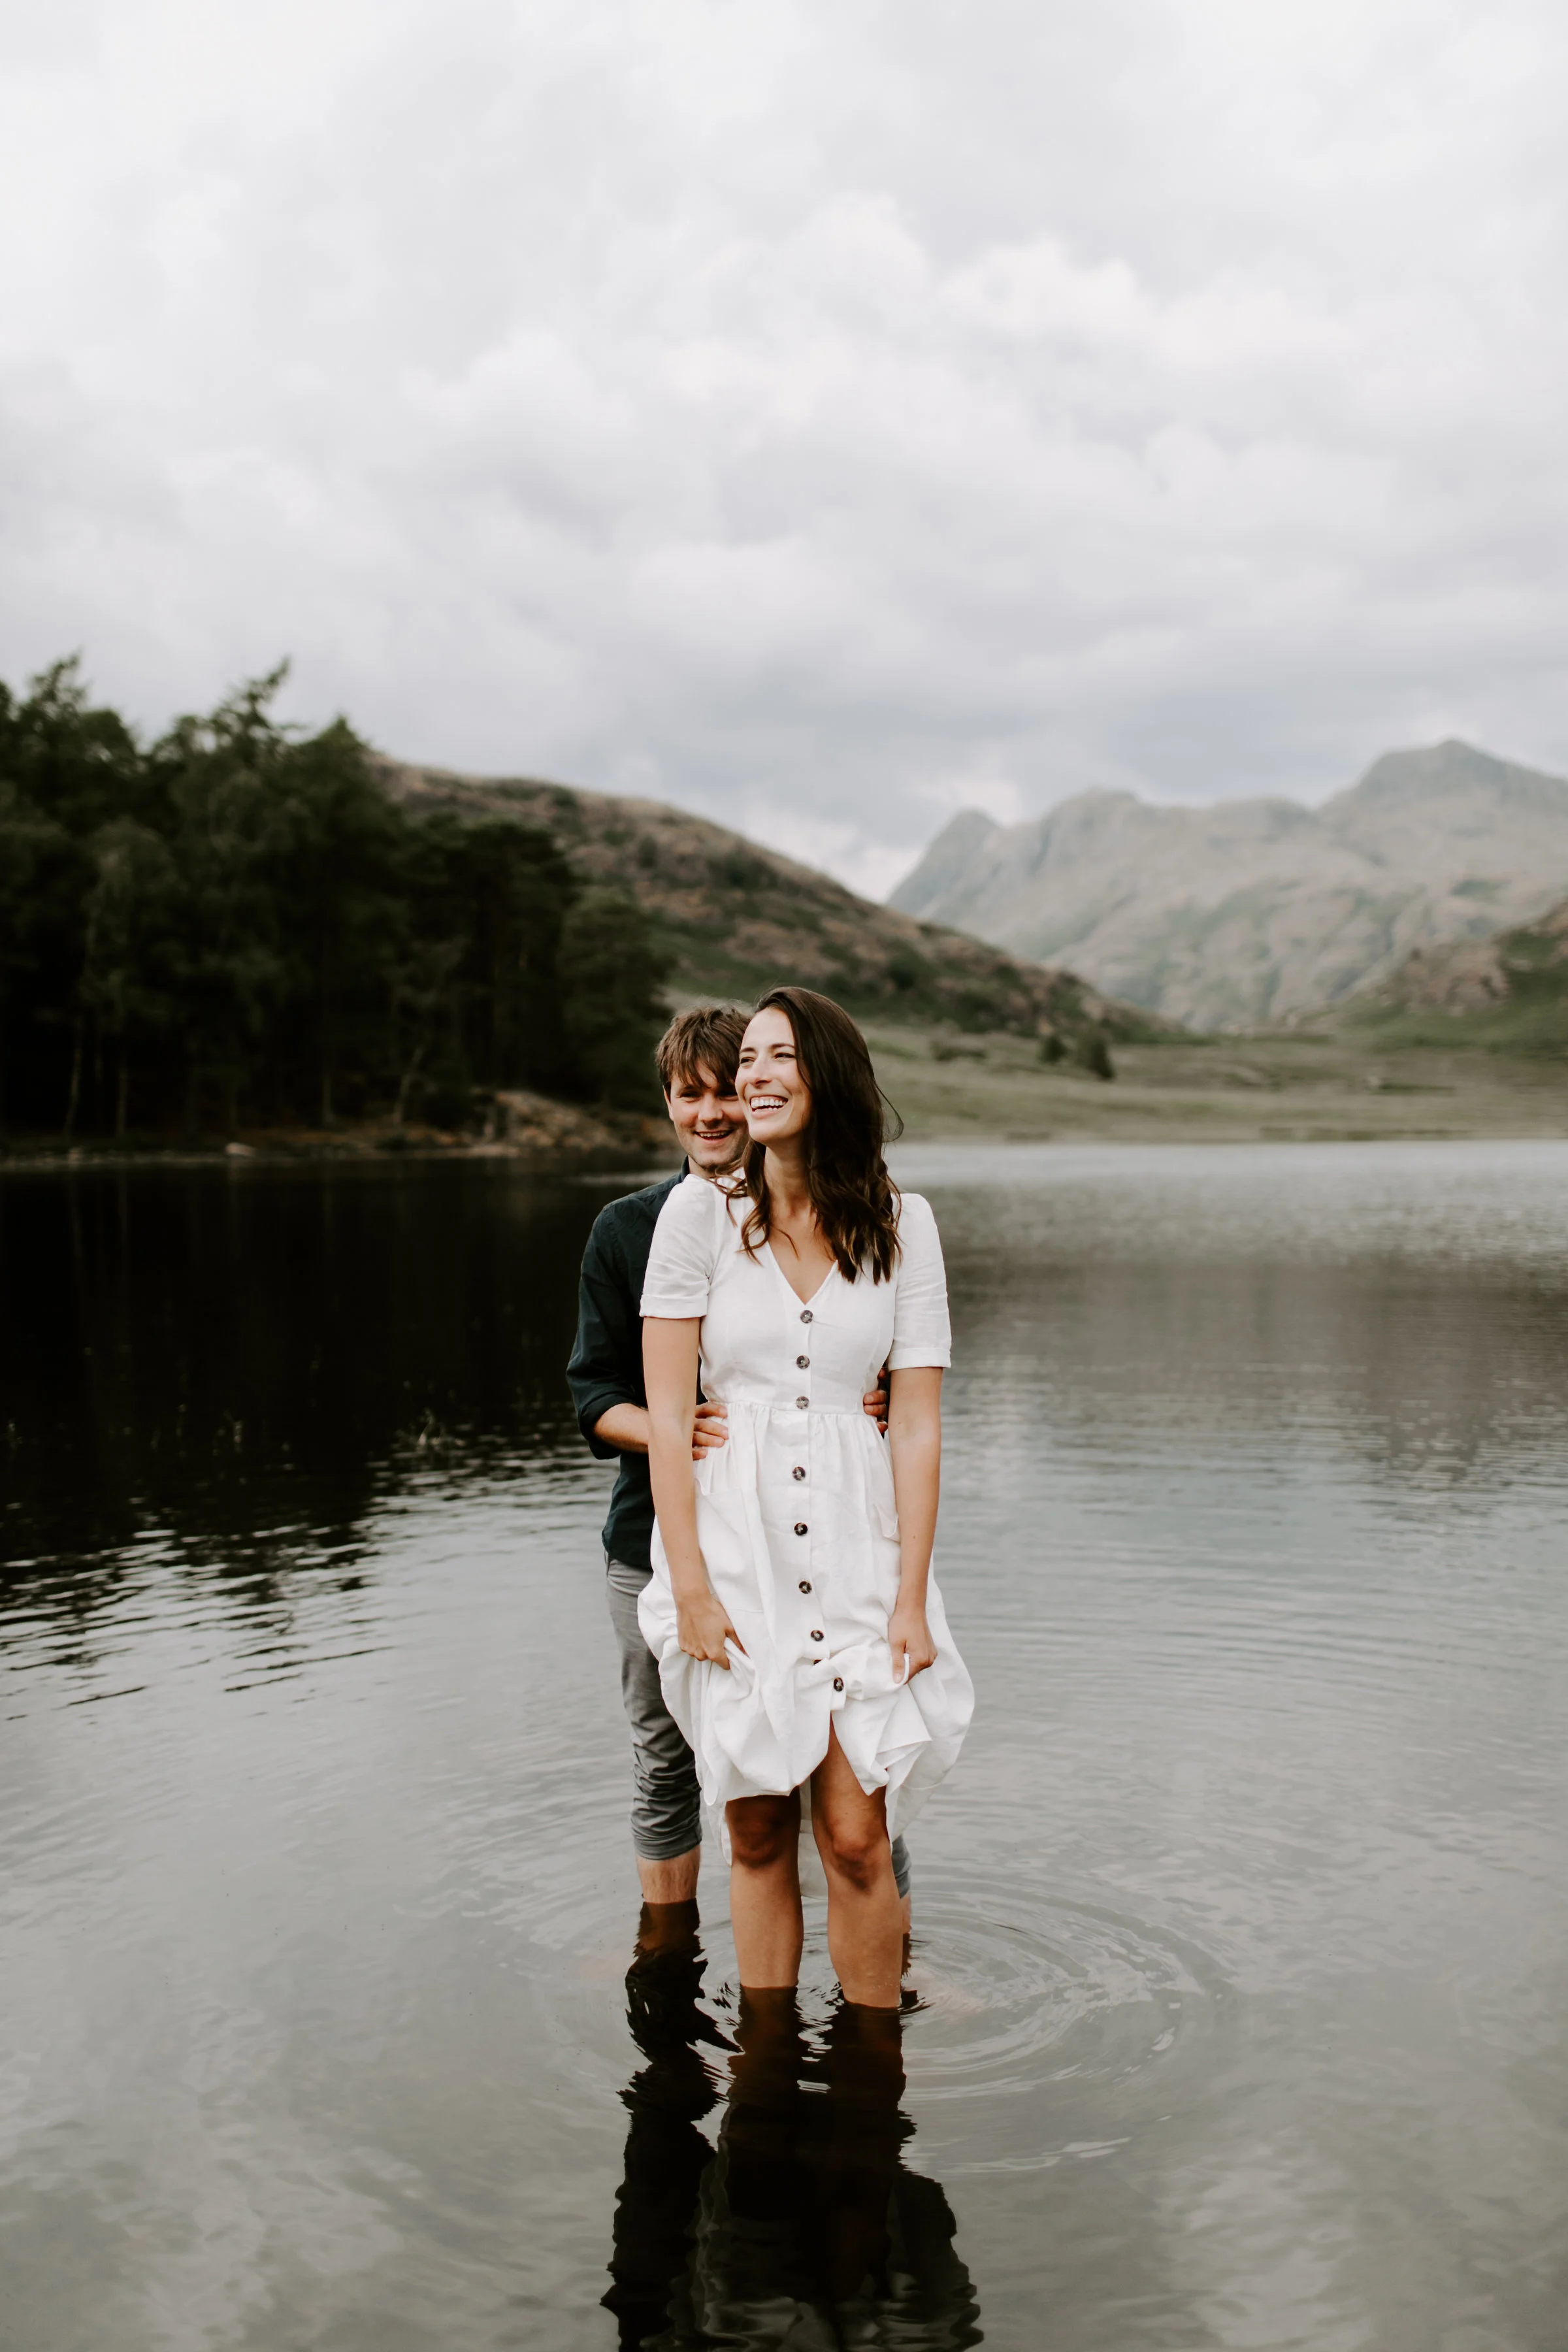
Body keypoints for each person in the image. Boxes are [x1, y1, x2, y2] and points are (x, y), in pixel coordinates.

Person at [639, 987, 973, 2012]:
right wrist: (691, 1588)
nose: (755, 1077)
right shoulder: (697, 1215)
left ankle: (876, 2060)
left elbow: (914, 1423)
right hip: (733, 1548)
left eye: (779, 1056)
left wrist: (910, 1599)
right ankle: (765, 2065)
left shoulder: (903, 1225)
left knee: (857, 1834)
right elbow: (665, 1414)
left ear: (827, 1074)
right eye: (750, 1060)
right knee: (751, 1825)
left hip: (858, 1545)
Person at [566, 1007, 910, 1917]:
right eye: (692, 1095)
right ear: (670, 1107)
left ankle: (896, 1962)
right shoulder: (630, 1229)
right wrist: (679, 1427)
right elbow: (593, 1396)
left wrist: (880, 1401)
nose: (715, 1111)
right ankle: (665, 1956)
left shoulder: (842, 1218)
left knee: (861, 1752)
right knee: (668, 1756)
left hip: (809, 1547)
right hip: (653, 1540)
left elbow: (873, 1363)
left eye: (731, 1089)